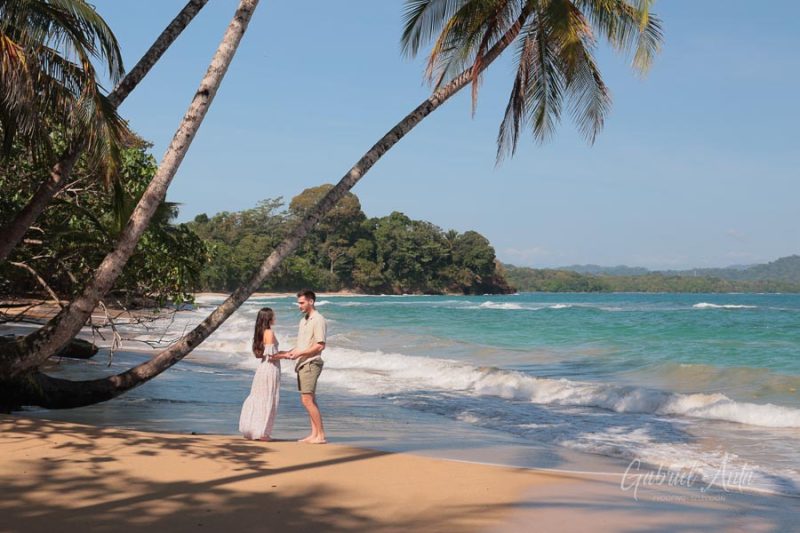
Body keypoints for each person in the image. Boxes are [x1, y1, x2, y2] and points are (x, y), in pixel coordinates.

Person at [286, 289, 327, 444]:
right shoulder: (303, 321)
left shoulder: (318, 320)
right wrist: (291, 353)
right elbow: (301, 344)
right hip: (302, 363)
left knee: (307, 400)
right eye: (298, 303)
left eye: (302, 303)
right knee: (310, 400)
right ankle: (314, 434)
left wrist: (300, 353)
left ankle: (321, 435)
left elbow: (320, 346)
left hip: (312, 362)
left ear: (311, 301)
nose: (299, 306)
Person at [239, 307, 283, 441]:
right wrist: (287, 355)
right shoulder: (269, 332)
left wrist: (284, 353)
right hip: (270, 369)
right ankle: (262, 433)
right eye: (273, 316)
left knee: (259, 397)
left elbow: (265, 354)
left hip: (263, 368)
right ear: (268, 318)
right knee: (267, 399)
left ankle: (252, 430)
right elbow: (271, 355)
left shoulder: (260, 332)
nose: (275, 318)